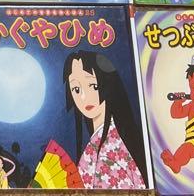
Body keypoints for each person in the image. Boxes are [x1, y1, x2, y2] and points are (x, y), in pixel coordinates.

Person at [62, 51, 148, 188]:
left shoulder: (109, 148)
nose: (84, 97)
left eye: (93, 86)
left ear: (108, 84)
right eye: (76, 89)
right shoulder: (104, 140)